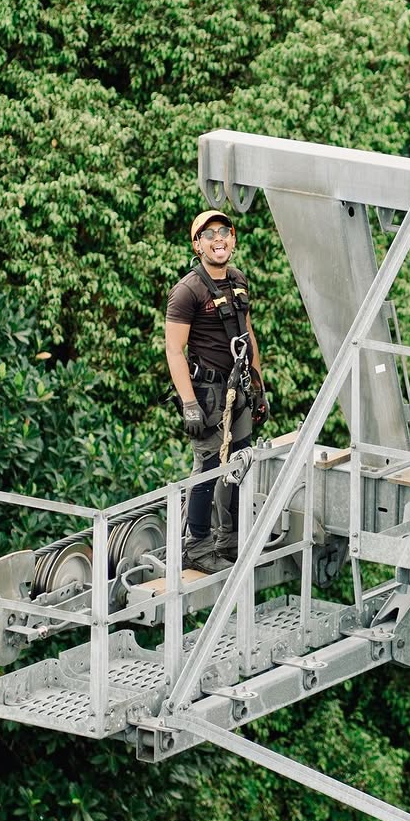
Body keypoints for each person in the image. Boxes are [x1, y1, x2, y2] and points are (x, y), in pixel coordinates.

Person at [165, 209, 268, 572]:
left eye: (224, 231)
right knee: (209, 466)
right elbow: (174, 349)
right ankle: (197, 545)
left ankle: (230, 540)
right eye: (209, 235)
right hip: (207, 391)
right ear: (197, 245)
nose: (218, 238)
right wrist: (189, 404)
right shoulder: (187, 290)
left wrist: (257, 383)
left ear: (233, 239)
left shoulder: (237, 280)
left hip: (238, 386)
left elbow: (247, 334)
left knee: (240, 462)